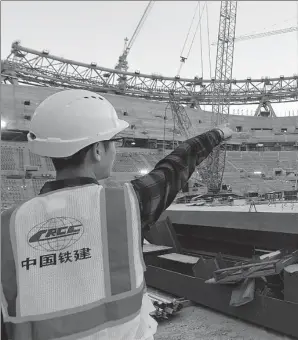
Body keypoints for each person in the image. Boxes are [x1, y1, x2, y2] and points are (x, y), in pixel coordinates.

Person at [1, 89, 233, 340]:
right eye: (115, 141)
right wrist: (218, 134)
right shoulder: (126, 204)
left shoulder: (9, 224)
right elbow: (176, 165)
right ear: (97, 150)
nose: (116, 150)